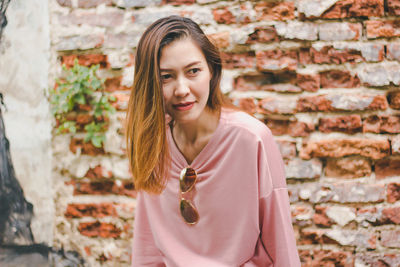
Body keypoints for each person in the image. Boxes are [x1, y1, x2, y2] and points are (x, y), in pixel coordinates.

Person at [126, 15, 301, 267]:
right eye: (166, 76)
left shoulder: (252, 140)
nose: (182, 89)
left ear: (212, 70)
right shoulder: (153, 142)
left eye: (193, 71)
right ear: (151, 82)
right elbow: (147, 251)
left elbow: (282, 246)